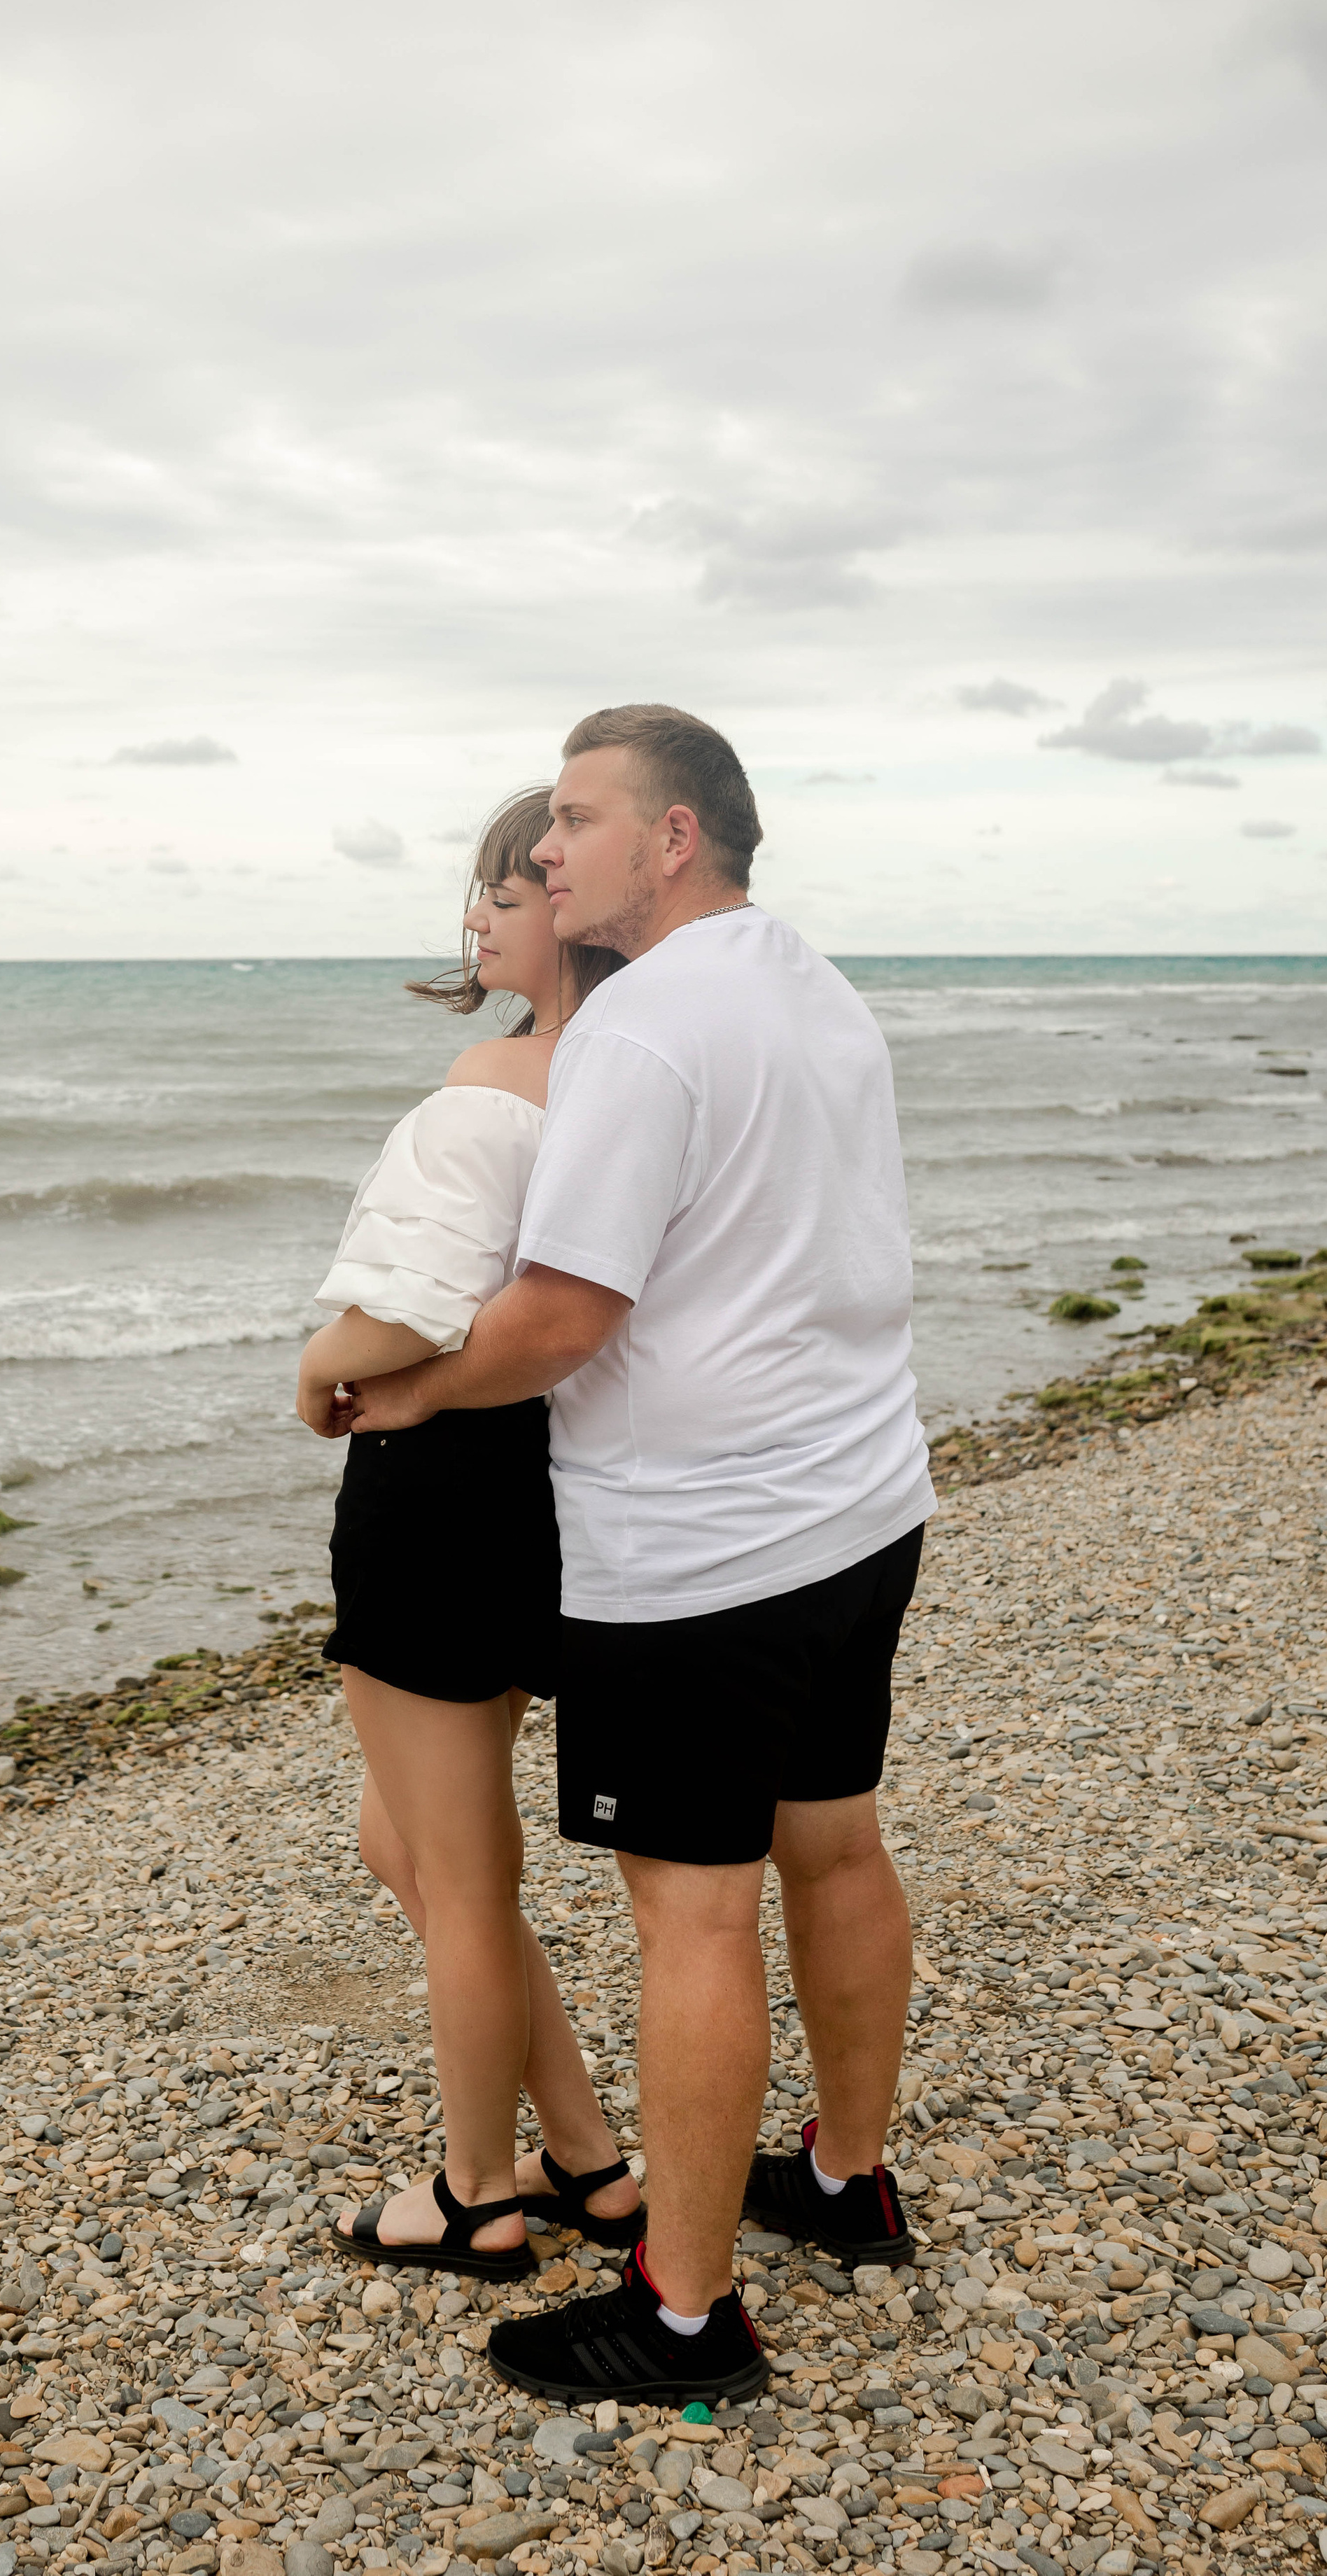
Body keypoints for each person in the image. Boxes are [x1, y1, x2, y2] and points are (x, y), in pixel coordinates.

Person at [342, 705, 934, 2404]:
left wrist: (400, 1391)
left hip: (703, 1554)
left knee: (691, 1918)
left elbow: (556, 1317)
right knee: (830, 1845)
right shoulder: (804, 981)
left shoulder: (644, 1027)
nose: (543, 852)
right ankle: (843, 2178)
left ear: (670, 839)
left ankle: (684, 2315)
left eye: (577, 821)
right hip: (856, 1503)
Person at [294, 788, 643, 2281]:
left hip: (436, 1484)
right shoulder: (641, 1075)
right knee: (422, 1846)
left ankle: (474, 2195)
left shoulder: (498, 1067)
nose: (475, 917)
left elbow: (414, 1300)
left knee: (452, 1866)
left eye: (502, 890)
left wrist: (317, 1371)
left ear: (564, 902)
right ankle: (588, 2161)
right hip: (552, 1484)